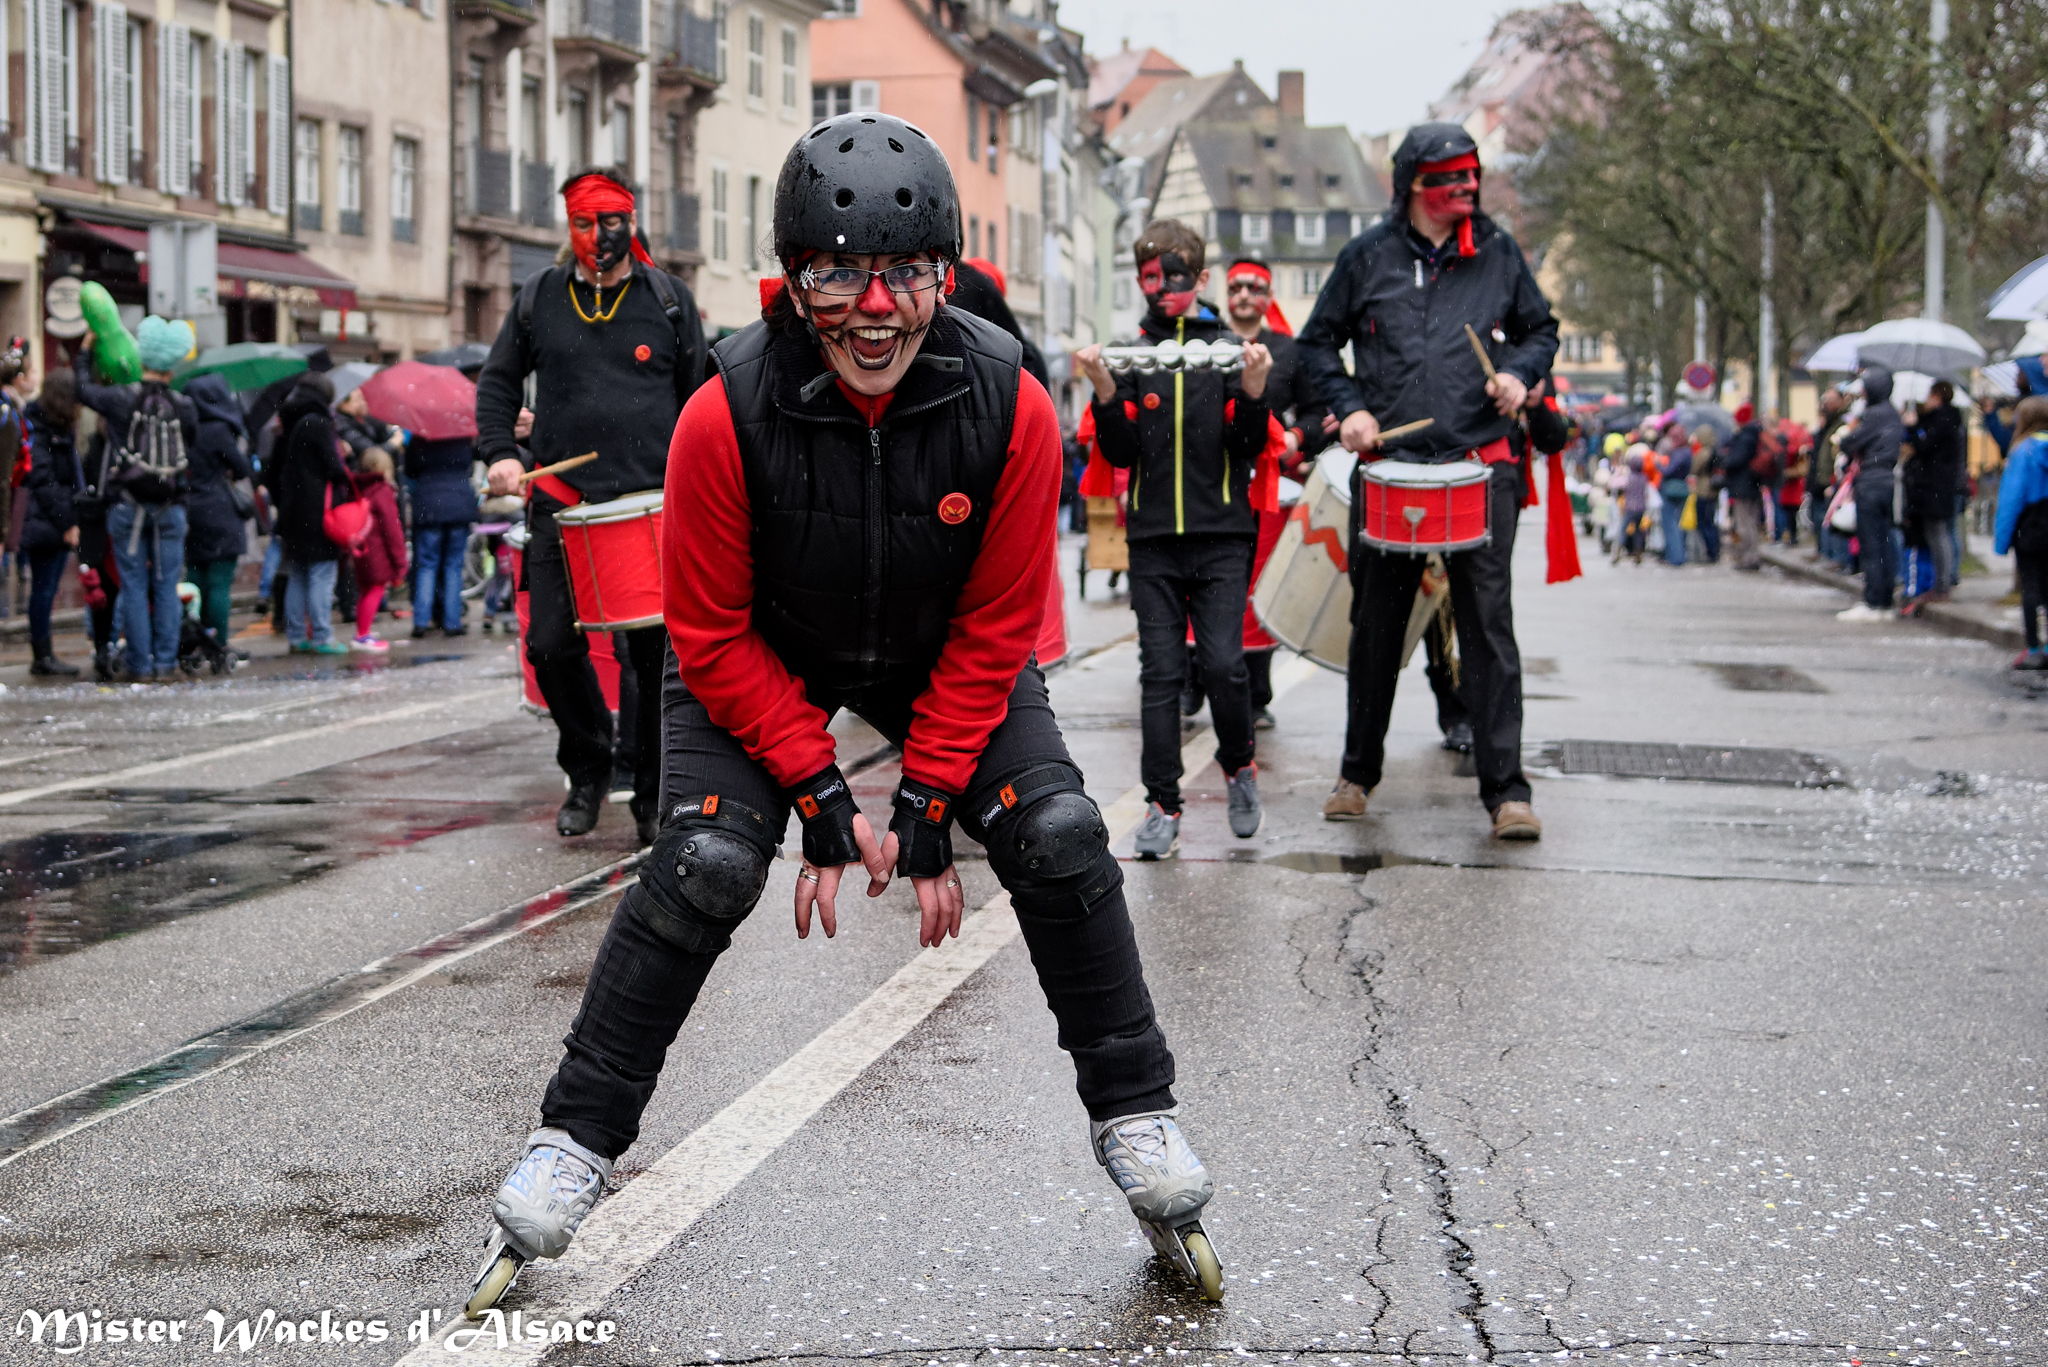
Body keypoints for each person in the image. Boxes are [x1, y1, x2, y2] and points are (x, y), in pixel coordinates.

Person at [465, 112, 1222, 1318]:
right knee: (706, 861)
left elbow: (993, 632)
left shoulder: (1012, 406)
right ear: (793, 279)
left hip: (938, 651)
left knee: (1061, 832)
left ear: (944, 275)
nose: (876, 308)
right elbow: (705, 633)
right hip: (768, 644)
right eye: (839, 274)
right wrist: (817, 794)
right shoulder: (723, 408)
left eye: (905, 274)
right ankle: (574, 1137)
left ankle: (1135, 1113)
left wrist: (925, 801)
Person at [1295, 121, 1559, 840]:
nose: (1468, 187)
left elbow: (1542, 330)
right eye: (1452, 178)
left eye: (1473, 175)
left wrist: (1518, 373)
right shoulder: (1366, 258)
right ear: (1414, 183)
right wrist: (1347, 408)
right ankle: (1357, 773)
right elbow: (1316, 344)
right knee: (1376, 631)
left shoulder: (1498, 252)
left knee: (1488, 633)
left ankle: (1507, 793)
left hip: (1480, 467)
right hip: (1391, 472)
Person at [475, 167, 708, 843]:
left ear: (632, 222)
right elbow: (497, 383)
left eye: (613, 221)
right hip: (558, 500)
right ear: (568, 227)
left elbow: (700, 400)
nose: (601, 235)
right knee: (549, 646)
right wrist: (501, 454)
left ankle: (653, 797)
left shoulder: (669, 300)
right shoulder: (539, 297)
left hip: (648, 505)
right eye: (586, 222)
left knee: (650, 659)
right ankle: (588, 765)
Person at [1074, 219, 1273, 859]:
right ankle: (1162, 803)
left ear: (1202, 279)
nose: (1163, 287)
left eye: (1176, 276)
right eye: (1151, 277)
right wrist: (1105, 390)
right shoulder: (1134, 353)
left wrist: (1253, 392)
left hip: (1221, 535)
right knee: (1159, 674)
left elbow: (1245, 445)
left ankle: (1239, 766)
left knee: (1221, 664)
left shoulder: (1228, 348)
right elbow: (1121, 449)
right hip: (1154, 538)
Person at [72, 317, 199, 681]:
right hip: (170, 506)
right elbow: (191, 446)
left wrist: (86, 350)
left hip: (127, 503)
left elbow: (81, 389)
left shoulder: (120, 398)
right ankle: (165, 663)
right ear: (173, 363)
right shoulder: (184, 405)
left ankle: (140, 665)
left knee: (132, 586)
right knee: (166, 585)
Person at [267, 373, 353, 654]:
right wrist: (344, 456)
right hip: (317, 510)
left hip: (292, 509)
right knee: (321, 574)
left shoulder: (288, 423)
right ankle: (321, 635)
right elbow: (334, 469)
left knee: (299, 573)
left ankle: (296, 636)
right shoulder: (317, 423)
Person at [181, 374, 253, 660]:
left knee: (196, 580)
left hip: (189, 509)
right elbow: (242, 467)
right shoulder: (219, 429)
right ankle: (219, 644)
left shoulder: (184, 428)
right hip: (219, 510)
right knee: (220, 581)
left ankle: (194, 641)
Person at [19, 369, 82, 675]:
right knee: (43, 590)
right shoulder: (40, 429)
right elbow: (43, 480)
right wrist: (67, 521)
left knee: (46, 589)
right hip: (46, 522)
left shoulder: (55, 428)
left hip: (51, 519)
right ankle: (42, 655)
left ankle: (44, 653)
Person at [1836, 364, 1903, 622]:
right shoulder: (1892, 414)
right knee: (1885, 542)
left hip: (1871, 480)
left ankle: (1873, 599)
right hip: (1887, 480)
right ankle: (1884, 598)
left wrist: (1847, 437)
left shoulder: (1873, 415)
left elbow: (1851, 442)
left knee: (1871, 543)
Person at [405, 434, 479, 637]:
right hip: (459, 502)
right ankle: (452, 622)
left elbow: (410, 470)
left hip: (429, 505)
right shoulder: (462, 437)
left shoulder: (420, 438)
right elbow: (470, 464)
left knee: (427, 564)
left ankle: (421, 621)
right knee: (453, 565)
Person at [1994, 396, 2048, 669]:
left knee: (2031, 588)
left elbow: (2011, 499)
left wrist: (2002, 540)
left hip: (2031, 525)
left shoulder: (2023, 451)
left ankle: (2034, 648)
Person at [1903, 379, 1965, 605]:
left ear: (1937, 396)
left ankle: (1943, 583)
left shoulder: (1943, 421)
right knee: (1937, 535)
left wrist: (1912, 426)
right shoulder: (1942, 420)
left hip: (1935, 487)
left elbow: (1925, 446)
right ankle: (1941, 582)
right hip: (1934, 486)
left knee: (1939, 535)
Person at [349, 448, 408, 653]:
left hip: (363, 549)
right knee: (375, 590)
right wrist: (400, 561)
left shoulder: (360, 488)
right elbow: (392, 529)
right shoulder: (382, 491)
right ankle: (363, 635)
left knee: (365, 591)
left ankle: (363, 631)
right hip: (378, 551)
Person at [1722, 403, 1767, 571]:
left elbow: (1736, 460)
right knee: (1751, 522)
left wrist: (1726, 460)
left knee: (1744, 523)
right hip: (1752, 484)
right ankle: (1752, 555)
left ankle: (1749, 557)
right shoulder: (1754, 436)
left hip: (1743, 485)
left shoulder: (1744, 437)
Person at [1656, 427, 1694, 566]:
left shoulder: (1679, 453)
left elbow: (1668, 471)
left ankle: (1676, 557)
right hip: (1682, 488)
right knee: (1677, 523)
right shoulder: (1687, 452)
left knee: (1670, 524)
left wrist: (1659, 465)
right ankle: (1676, 555)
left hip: (1671, 489)